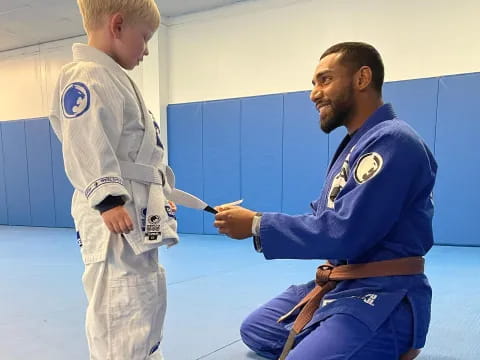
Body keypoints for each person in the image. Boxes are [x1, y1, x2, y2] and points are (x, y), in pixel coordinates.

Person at [214, 42, 437, 360]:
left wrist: (255, 224)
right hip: (342, 283)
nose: (314, 94)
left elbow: (345, 232)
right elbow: (326, 218)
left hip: (385, 290)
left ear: (361, 79)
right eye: (314, 83)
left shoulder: (393, 141)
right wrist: (255, 220)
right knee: (256, 329)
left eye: (325, 80)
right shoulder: (357, 144)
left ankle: (397, 337)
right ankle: (338, 332)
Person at [49, 1, 178, 359]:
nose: (147, 49)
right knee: (120, 306)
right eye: (145, 37)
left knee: (145, 298)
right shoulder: (85, 75)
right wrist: (107, 198)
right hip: (114, 217)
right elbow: (85, 140)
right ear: (118, 25)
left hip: (135, 209)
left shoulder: (112, 77)